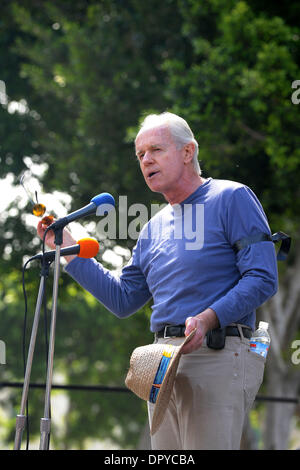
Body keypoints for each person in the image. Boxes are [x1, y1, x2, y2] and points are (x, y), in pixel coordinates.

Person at [37, 112, 278, 450]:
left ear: (187, 152)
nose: (146, 159)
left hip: (216, 353)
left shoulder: (232, 197)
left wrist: (209, 318)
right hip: (161, 364)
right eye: (140, 154)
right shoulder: (152, 228)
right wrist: (70, 250)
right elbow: (123, 299)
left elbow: (263, 278)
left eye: (155, 149)